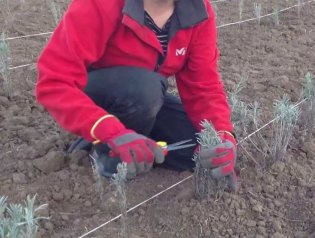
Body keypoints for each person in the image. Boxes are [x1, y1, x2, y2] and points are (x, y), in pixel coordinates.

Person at [35, 0, 238, 190]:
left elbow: (204, 86)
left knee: (201, 149)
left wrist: (222, 135)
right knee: (145, 89)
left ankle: (137, 145)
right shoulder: (101, 4)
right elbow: (53, 82)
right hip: (98, 99)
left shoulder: (197, 12)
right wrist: (110, 131)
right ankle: (106, 154)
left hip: (145, 101)